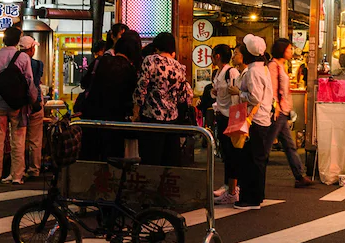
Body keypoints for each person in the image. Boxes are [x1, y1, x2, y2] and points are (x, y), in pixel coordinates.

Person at [133, 32, 195, 167]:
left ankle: (150, 185)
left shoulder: (150, 60)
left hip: (151, 117)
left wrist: (136, 109)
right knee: (169, 161)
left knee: (150, 159)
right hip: (172, 119)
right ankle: (165, 187)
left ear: (157, 46)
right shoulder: (178, 66)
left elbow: (141, 88)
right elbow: (183, 95)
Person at [0, 25, 36, 185]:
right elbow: (29, 81)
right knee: (18, 140)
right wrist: (33, 101)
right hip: (17, 105)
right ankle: (17, 175)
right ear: (18, 41)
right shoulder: (23, 58)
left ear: (4, 40)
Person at [81, 30, 140, 160]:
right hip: (115, 123)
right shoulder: (129, 70)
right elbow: (130, 97)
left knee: (91, 159)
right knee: (112, 160)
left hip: (92, 119)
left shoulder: (99, 61)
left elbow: (84, 82)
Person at [233, 35, 277, 206]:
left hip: (254, 120)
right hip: (263, 119)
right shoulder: (263, 68)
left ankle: (250, 198)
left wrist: (238, 92)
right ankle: (258, 195)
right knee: (257, 159)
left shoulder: (253, 72)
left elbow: (254, 98)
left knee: (250, 161)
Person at [268, 38, 313, 188]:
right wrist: (277, 108)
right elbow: (273, 90)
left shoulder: (282, 65)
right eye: (289, 49)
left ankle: (299, 176)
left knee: (289, 145)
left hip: (283, 111)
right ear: (282, 50)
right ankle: (249, 177)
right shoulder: (273, 66)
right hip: (278, 112)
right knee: (266, 147)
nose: (291, 51)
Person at [202, 44, 240, 199]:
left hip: (231, 117)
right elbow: (217, 94)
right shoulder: (219, 73)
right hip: (222, 116)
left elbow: (235, 96)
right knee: (225, 153)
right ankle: (227, 185)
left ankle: (233, 189)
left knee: (232, 154)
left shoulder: (231, 72)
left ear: (217, 56)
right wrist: (214, 93)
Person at [18, 34, 47, 179]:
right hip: (35, 103)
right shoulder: (38, 64)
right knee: (35, 139)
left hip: (19, 105)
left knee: (19, 138)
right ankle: (34, 170)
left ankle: (19, 170)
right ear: (31, 49)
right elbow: (36, 82)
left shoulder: (14, 62)